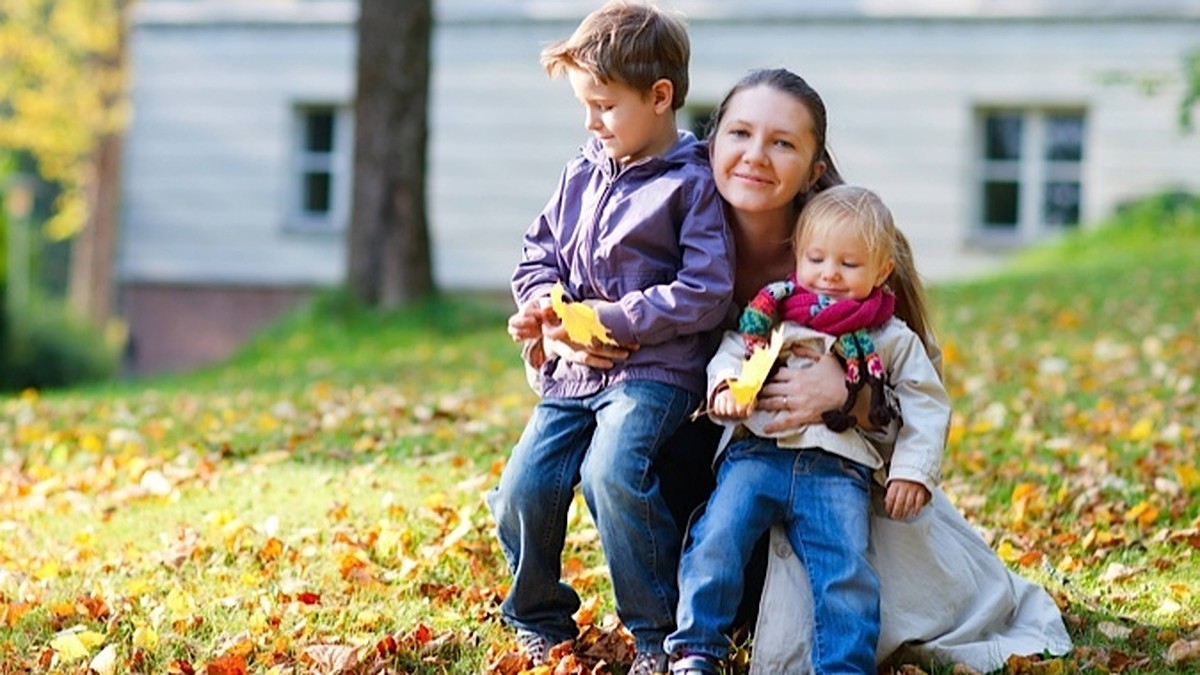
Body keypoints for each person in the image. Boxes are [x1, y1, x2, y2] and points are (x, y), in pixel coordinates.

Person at [526, 67, 1072, 672]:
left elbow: (917, 395)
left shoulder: (849, 252)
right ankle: (691, 622)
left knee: (855, 585)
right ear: (711, 146)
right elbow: (584, 331)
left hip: (839, 471)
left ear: (814, 167)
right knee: (649, 454)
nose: (755, 156)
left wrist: (850, 390)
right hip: (728, 460)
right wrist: (565, 337)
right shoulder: (666, 235)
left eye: (782, 143)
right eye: (739, 134)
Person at [488, 3, 734, 674]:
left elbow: (705, 289)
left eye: (604, 106)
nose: (592, 122)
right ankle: (537, 616)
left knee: (611, 473)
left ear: (660, 98)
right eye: (585, 107)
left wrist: (614, 318)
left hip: (654, 372)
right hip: (573, 374)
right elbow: (537, 257)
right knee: (523, 485)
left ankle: (657, 635)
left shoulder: (693, 184)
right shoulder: (583, 170)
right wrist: (543, 308)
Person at [665, 185, 951, 675]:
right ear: (797, 256)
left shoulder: (891, 338)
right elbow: (734, 351)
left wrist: (913, 471)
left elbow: (925, 402)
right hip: (757, 455)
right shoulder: (773, 315)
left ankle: (842, 665)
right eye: (817, 258)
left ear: (883, 270)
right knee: (717, 537)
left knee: (844, 570)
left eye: (850, 264)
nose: (830, 274)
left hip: (837, 471)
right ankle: (697, 647)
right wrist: (727, 389)